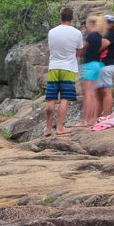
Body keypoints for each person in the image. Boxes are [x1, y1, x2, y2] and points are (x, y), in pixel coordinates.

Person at [43, 7, 84, 137]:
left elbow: (51, 49)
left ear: (60, 18)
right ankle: (60, 128)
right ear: (72, 19)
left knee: (51, 98)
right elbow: (79, 51)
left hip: (54, 67)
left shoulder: (52, 32)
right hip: (68, 68)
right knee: (65, 99)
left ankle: (48, 129)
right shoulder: (77, 33)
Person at [77, 14, 109, 128]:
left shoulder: (90, 36)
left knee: (88, 94)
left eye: (86, 25)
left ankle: (84, 121)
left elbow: (80, 51)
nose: (86, 27)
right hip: (97, 64)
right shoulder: (99, 36)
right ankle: (93, 120)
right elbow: (105, 43)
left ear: (90, 24)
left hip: (89, 64)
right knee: (94, 94)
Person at [97, 14, 114, 117]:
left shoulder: (110, 34)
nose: (108, 24)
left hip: (107, 65)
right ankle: (98, 117)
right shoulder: (107, 34)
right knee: (99, 92)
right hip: (105, 65)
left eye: (110, 22)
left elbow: (100, 46)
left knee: (106, 91)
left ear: (113, 24)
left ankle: (105, 116)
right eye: (106, 21)